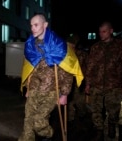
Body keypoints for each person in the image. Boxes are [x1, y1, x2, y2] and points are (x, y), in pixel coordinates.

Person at [18, 13, 83, 141]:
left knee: (39, 121)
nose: (33, 28)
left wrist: (64, 94)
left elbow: (67, 71)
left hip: (52, 90)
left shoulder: (58, 45)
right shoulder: (31, 45)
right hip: (34, 88)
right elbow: (29, 69)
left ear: (45, 25)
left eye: (36, 25)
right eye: (31, 25)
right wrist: (27, 86)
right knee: (28, 120)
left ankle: (48, 135)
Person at [84, 21, 122, 140]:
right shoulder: (95, 47)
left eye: (104, 31)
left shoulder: (120, 46)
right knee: (96, 110)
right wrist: (88, 83)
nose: (101, 34)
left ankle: (112, 125)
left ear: (111, 31)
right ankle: (99, 130)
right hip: (96, 84)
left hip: (114, 85)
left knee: (113, 109)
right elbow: (90, 67)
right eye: (100, 32)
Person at [66, 34, 89, 126]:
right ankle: (70, 121)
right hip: (68, 84)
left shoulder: (83, 55)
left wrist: (88, 83)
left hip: (80, 84)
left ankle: (82, 117)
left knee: (80, 103)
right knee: (69, 104)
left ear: (74, 45)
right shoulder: (65, 55)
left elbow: (89, 69)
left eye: (69, 45)